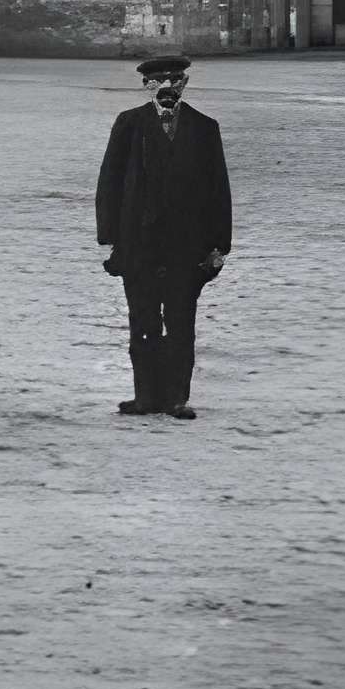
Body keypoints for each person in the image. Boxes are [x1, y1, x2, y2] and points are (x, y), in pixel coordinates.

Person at [95, 53, 232, 421]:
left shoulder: (205, 129)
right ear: (147, 86)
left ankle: (176, 399)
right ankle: (145, 397)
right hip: (138, 245)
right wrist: (109, 238)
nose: (167, 88)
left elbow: (219, 188)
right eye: (158, 82)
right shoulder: (128, 124)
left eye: (175, 80)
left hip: (186, 248)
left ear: (185, 84)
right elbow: (109, 182)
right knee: (143, 322)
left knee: (181, 322)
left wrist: (220, 245)